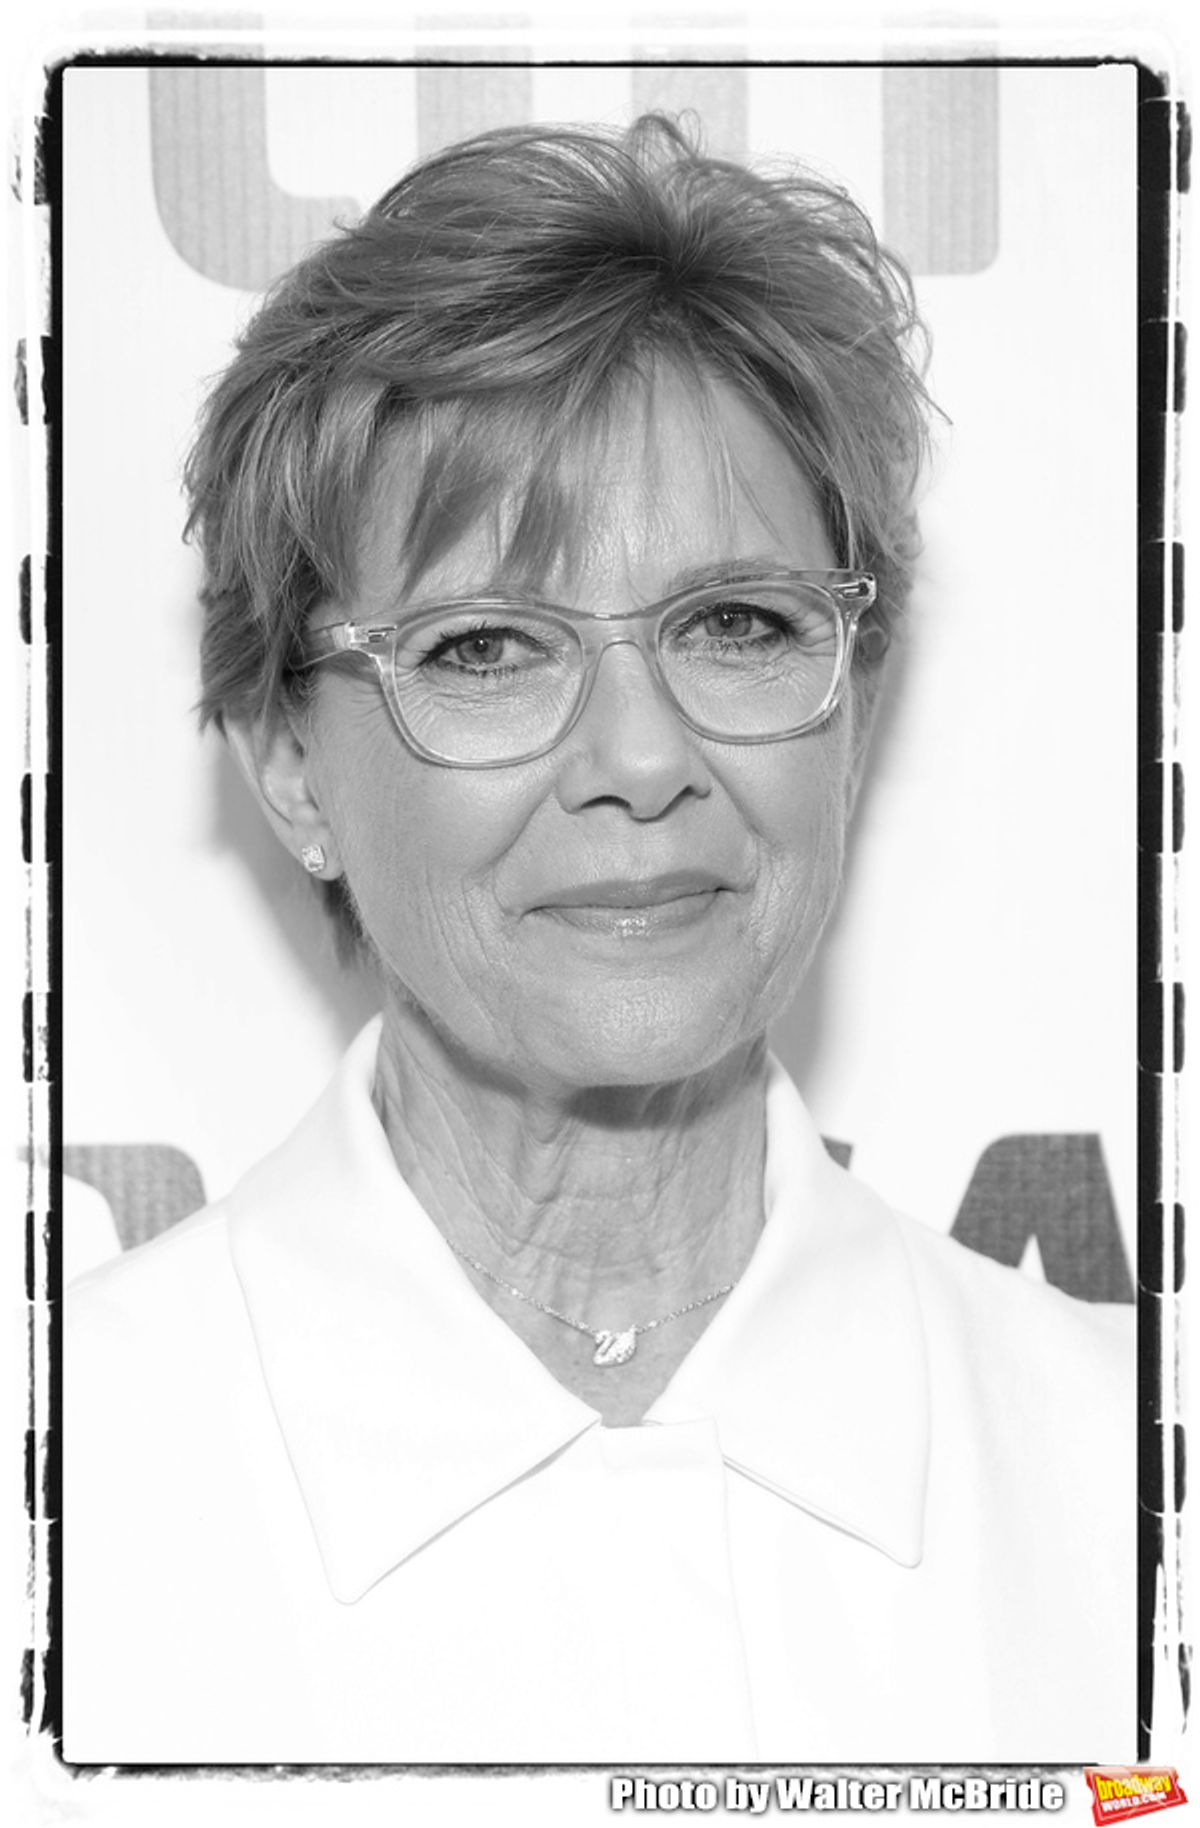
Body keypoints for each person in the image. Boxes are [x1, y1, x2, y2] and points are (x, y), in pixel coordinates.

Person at [64, 114, 1133, 1766]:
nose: (641, 760)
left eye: (738, 623)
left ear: (856, 710)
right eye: (487, 646)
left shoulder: (1129, 1480)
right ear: (290, 766)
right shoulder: (64, 1490)